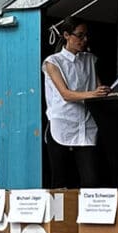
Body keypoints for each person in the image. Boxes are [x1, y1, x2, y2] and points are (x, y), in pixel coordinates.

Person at [41, 20, 108, 187]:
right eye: (79, 35)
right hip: (62, 123)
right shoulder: (53, 62)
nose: (84, 40)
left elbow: (98, 87)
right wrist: (94, 94)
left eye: (86, 36)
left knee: (91, 179)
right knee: (60, 180)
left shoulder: (90, 59)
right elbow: (65, 94)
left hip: (85, 123)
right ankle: (61, 213)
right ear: (66, 36)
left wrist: (108, 91)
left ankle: (89, 212)